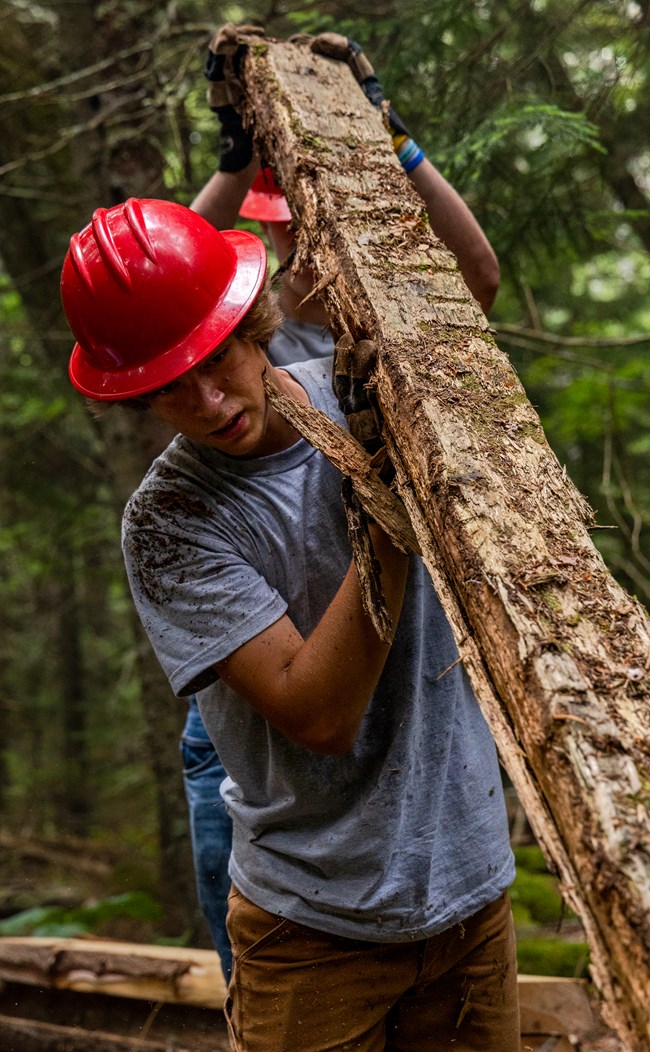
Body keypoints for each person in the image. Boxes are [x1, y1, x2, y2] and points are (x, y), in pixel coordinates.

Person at [60, 189, 519, 1051]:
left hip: (470, 896)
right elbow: (316, 713)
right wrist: (387, 511)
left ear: (252, 321)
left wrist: (402, 150)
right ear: (134, 396)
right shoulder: (170, 522)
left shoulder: (367, 397)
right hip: (310, 931)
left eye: (215, 359)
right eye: (167, 387)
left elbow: (471, 288)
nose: (206, 401)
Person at [180, 27, 502, 983]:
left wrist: (394, 137)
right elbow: (171, 292)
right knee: (245, 907)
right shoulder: (233, 347)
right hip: (259, 684)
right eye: (273, 229)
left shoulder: (374, 335)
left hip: (393, 666)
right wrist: (237, 159)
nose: (292, 244)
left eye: (296, 225)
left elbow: (474, 278)